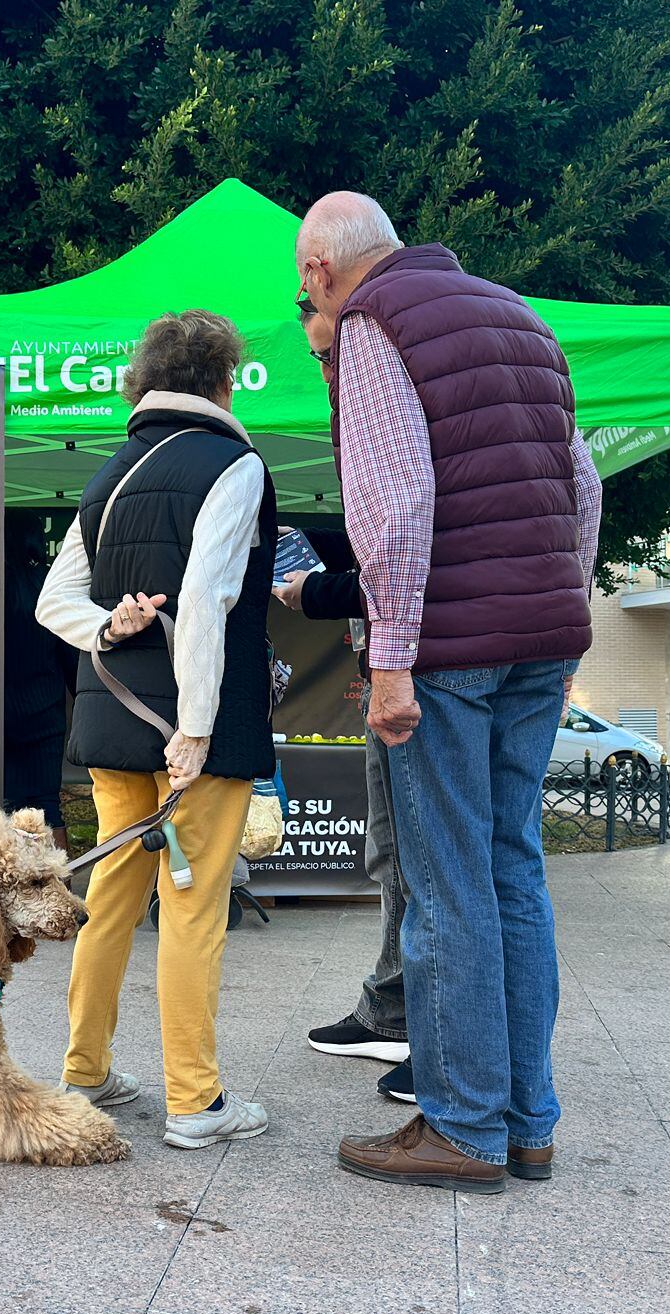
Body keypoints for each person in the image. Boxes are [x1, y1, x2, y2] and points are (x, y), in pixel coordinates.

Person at [298, 191, 602, 1192]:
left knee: (444, 887)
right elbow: (580, 487)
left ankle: (460, 1127)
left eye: (306, 283)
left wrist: (388, 659)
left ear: (320, 272)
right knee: (512, 870)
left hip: (446, 646)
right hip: (540, 634)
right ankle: (525, 1121)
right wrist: (556, 611)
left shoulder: (375, 322)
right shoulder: (519, 316)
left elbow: (394, 503)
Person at [37, 309, 275, 1151]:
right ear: (222, 380)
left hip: (111, 714)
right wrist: (200, 729)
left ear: (146, 380)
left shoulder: (110, 472)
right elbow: (208, 602)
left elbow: (54, 604)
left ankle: (86, 1069)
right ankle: (194, 1102)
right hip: (193, 723)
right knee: (193, 908)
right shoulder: (233, 464)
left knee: (110, 898)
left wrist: (112, 625)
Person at [278, 298, 412, 1101]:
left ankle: (454, 1055)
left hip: (430, 678)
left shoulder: (392, 384)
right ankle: (396, 1012)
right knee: (415, 860)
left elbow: (403, 550)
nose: (330, 378)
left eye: (331, 360)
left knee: (434, 867)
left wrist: (325, 596)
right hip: (427, 672)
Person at [3, 512, 78, 849]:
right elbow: (72, 657)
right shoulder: (50, 587)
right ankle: (57, 889)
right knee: (46, 806)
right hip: (45, 715)